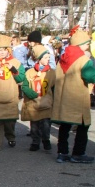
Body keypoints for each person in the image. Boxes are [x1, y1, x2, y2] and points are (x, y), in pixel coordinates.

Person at [46, 27, 95, 163]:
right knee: (83, 126)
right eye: (86, 43)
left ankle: (62, 152)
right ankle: (78, 153)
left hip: (64, 98)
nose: (87, 46)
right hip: (78, 98)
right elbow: (90, 76)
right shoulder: (83, 60)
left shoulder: (63, 58)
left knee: (65, 125)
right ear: (81, 44)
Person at [0, 35, 26, 152]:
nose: (2, 53)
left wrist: (13, 70)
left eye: (4, 50)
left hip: (10, 96)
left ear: (8, 50)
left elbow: (21, 79)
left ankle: (11, 137)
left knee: (9, 121)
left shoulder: (16, 63)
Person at [20, 45, 53, 152]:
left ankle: (46, 140)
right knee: (34, 124)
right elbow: (24, 86)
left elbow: (56, 86)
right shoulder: (29, 73)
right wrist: (33, 94)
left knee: (46, 124)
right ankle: (35, 142)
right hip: (33, 103)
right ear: (39, 59)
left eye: (49, 57)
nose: (48, 59)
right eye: (46, 58)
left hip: (47, 103)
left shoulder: (52, 73)